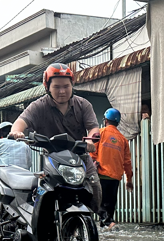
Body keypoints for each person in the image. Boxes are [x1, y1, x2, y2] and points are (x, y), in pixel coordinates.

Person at [10, 63, 102, 211]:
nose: (62, 91)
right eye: (57, 87)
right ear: (47, 87)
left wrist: (90, 140)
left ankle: (91, 226)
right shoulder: (38, 106)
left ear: (72, 85)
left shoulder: (83, 105)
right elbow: (20, 122)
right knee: (44, 198)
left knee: (95, 190)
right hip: (52, 161)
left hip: (81, 158)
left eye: (66, 86)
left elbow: (93, 128)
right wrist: (17, 132)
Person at [92, 108, 133, 231]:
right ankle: (107, 229)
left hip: (101, 175)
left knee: (97, 202)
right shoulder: (123, 139)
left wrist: (92, 166)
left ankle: (109, 223)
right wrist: (129, 179)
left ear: (105, 121)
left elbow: (92, 153)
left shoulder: (100, 133)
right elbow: (127, 162)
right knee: (109, 205)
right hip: (115, 177)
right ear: (118, 123)